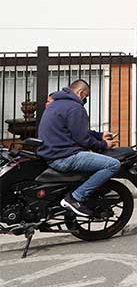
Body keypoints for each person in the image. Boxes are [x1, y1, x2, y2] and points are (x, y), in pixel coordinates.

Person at [37, 79, 119, 218]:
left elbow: (73, 130)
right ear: (80, 93)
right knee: (113, 164)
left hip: (52, 154)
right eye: (85, 96)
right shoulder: (75, 107)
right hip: (65, 157)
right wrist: (104, 145)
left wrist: (99, 135)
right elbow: (83, 139)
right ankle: (75, 198)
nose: (85, 100)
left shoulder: (56, 104)